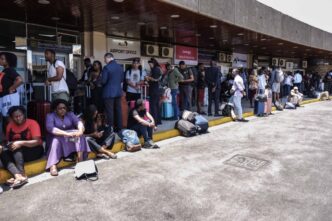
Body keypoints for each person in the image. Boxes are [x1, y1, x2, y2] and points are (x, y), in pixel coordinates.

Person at [0, 106, 44, 189]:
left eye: (20, 115)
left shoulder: (32, 123)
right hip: (17, 152)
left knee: (17, 147)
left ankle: (22, 174)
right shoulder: (10, 126)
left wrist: (21, 143)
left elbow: (37, 141)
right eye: (15, 117)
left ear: (24, 114)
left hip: (35, 150)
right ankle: (18, 176)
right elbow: (7, 141)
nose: (18, 118)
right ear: (11, 117)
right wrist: (7, 145)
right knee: (3, 152)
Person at [46, 99, 90, 176]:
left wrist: (80, 130)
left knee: (80, 137)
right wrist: (66, 133)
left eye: (64, 108)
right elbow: (51, 128)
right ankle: (53, 166)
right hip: (58, 138)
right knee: (56, 141)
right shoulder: (50, 116)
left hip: (69, 139)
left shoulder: (70, 114)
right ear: (55, 109)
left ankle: (80, 160)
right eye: (60, 108)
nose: (63, 110)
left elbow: (78, 122)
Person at [101, 53, 124, 131]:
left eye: (105, 59)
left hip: (108, 92)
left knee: (109, 111)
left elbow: (103, 81)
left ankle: (110, 128)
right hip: (118, 92)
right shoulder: (120, 67)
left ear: (108, 58)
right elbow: (121, 80)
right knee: (118, 110)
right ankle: (119, 128)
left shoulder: (106, 68)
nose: (104, 61)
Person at [0, 52, 23, 119]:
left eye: (2, 59)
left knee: (10, 118)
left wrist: (11, 88)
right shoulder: (5, 70)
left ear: (8, 61)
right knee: (6, 118)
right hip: (4, 96)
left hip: (9, 97)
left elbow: (20, 80)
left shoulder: (9, 70)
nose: (0, 60)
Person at [145, 58, 162, 124]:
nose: (150, 66)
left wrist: (148, 78)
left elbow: (155, 79)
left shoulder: (155, 69)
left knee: (153, 106)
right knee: (157, 105)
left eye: (150, 64)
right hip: (156, 89)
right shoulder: (157, 69)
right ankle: (158, 121)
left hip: (154, 90)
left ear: (153, 63)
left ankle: (154, 120)